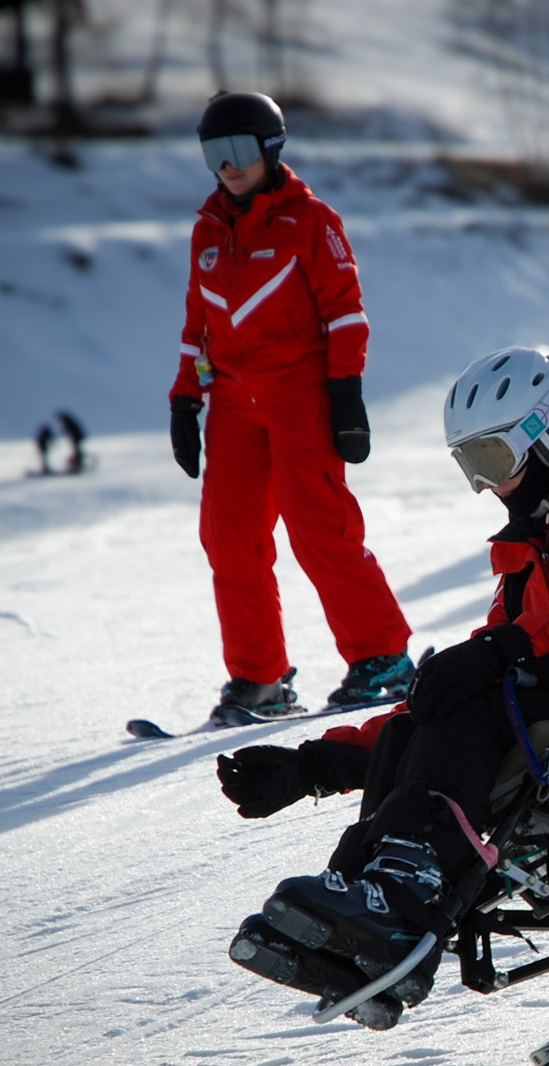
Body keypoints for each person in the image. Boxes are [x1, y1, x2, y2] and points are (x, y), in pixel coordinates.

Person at [217, 341, 549, 1029]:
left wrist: (512, 647)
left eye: (493, 461)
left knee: (485, 686)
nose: (488, 487)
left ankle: (403, 897)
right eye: (469, 467)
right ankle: (367, 900)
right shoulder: (533, 550)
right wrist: (316, 764)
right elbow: (452, 704)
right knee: (444, 701)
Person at [171, 92, 414, 717]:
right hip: (232, 402)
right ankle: (259, 678)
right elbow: (198, 325)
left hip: (299, 393)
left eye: (238, 151)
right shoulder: (207, 231)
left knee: (318, 527)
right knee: (228, 538)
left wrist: (347, 395)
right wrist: (185, 398)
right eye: (213, 154)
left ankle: (382, 657)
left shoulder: (311, 222)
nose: (227, 166)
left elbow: (346, 313)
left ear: (270, 148)